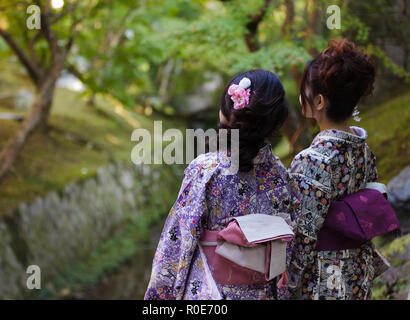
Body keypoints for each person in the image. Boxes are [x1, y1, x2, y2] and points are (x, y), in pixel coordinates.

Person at [145, 69, 300, 300]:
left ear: (227, 111)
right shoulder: (283, 179)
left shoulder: (206, 171)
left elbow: (176, 244)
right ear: (274, 123)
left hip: (209, 292)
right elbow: (287, 255)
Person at [288, 39, 381, 300]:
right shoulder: (365, 152)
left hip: (324, 280)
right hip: (359, 272)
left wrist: (287, 283)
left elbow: (303, 236)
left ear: (318, 101)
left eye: (304, 89)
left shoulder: (312, 160)